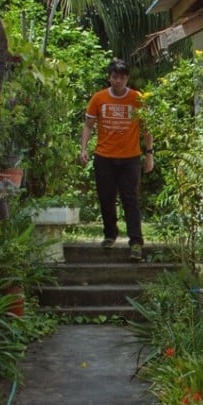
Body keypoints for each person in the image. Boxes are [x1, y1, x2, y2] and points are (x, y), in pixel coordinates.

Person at [79, 59, 154, 261]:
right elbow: (88, 125)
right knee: (106, 198)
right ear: (109, 78)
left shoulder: (136, 98)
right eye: (114, 77)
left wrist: (150, 153)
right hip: (104, 157)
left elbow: (147, 128)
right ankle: (110, 234)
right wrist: (84, 148)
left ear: (127, 78)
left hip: (130, 158)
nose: (118, 80)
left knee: (131, 199)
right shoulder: (98, 98)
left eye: (122, 77)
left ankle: (136, 242)